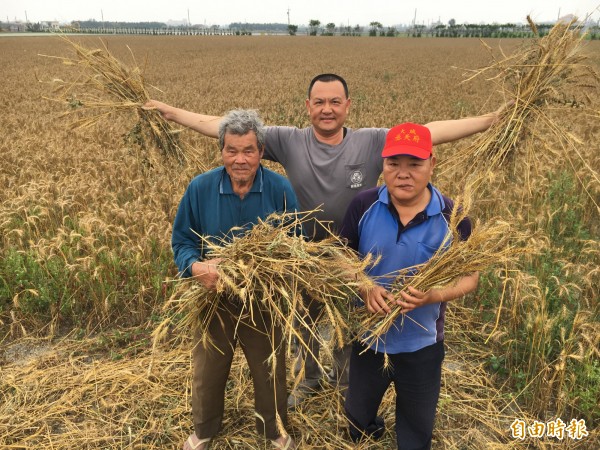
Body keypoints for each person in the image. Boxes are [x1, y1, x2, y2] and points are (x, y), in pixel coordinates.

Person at [147, 73, 499, 408]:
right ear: (308, 106)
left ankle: (348, 382)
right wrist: (170, 112)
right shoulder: (288, 140)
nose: (326, 109)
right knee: (304, 320)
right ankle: (311, 377)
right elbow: (227, 130)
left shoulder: (372, 140)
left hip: (355, 256)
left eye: (334, 101)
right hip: (302, 252)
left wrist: (490, 120)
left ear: (348, 105)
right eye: (319, 102)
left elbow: (427, 132)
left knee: (351, 319)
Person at [339, 122, 479, 449]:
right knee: (357, 424)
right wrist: (364, 285)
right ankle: (369, 425)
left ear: (432, 163)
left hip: (422, 345)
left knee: (415, 438)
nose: (403, 173)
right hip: (367, 338)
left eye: (414, 164)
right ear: (383, 165)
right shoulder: (363, 205)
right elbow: (341, 257)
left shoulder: (454, 217)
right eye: (393, 164)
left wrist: (435, 295)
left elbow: (470, 276)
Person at [172, 109, 298, 450]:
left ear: (261, 151)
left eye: (248, 150)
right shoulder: (200, 188)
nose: (240, 159)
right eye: (232, 150)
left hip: (263, 298)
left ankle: (273, 429)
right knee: (208, 366)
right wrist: (197, 269)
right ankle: (204, 428)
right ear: (221, 151)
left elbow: (295, 241)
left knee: (269, 366)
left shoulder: (279, 188)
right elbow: (182, 241)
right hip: (213, 296)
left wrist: (273, 269)